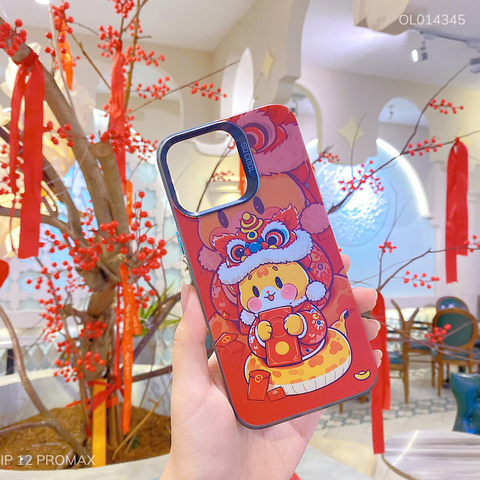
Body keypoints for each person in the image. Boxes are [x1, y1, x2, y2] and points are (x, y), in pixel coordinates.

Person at [161, 254, 382, 480]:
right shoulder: (260, 323)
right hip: (277, 370)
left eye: (278, 283)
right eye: (255, 292)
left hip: (315, 357)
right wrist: (260, 336)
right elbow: (256, 347)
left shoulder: (305, 309)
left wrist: (303, 326)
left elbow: (318, 328)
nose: (268, 293)